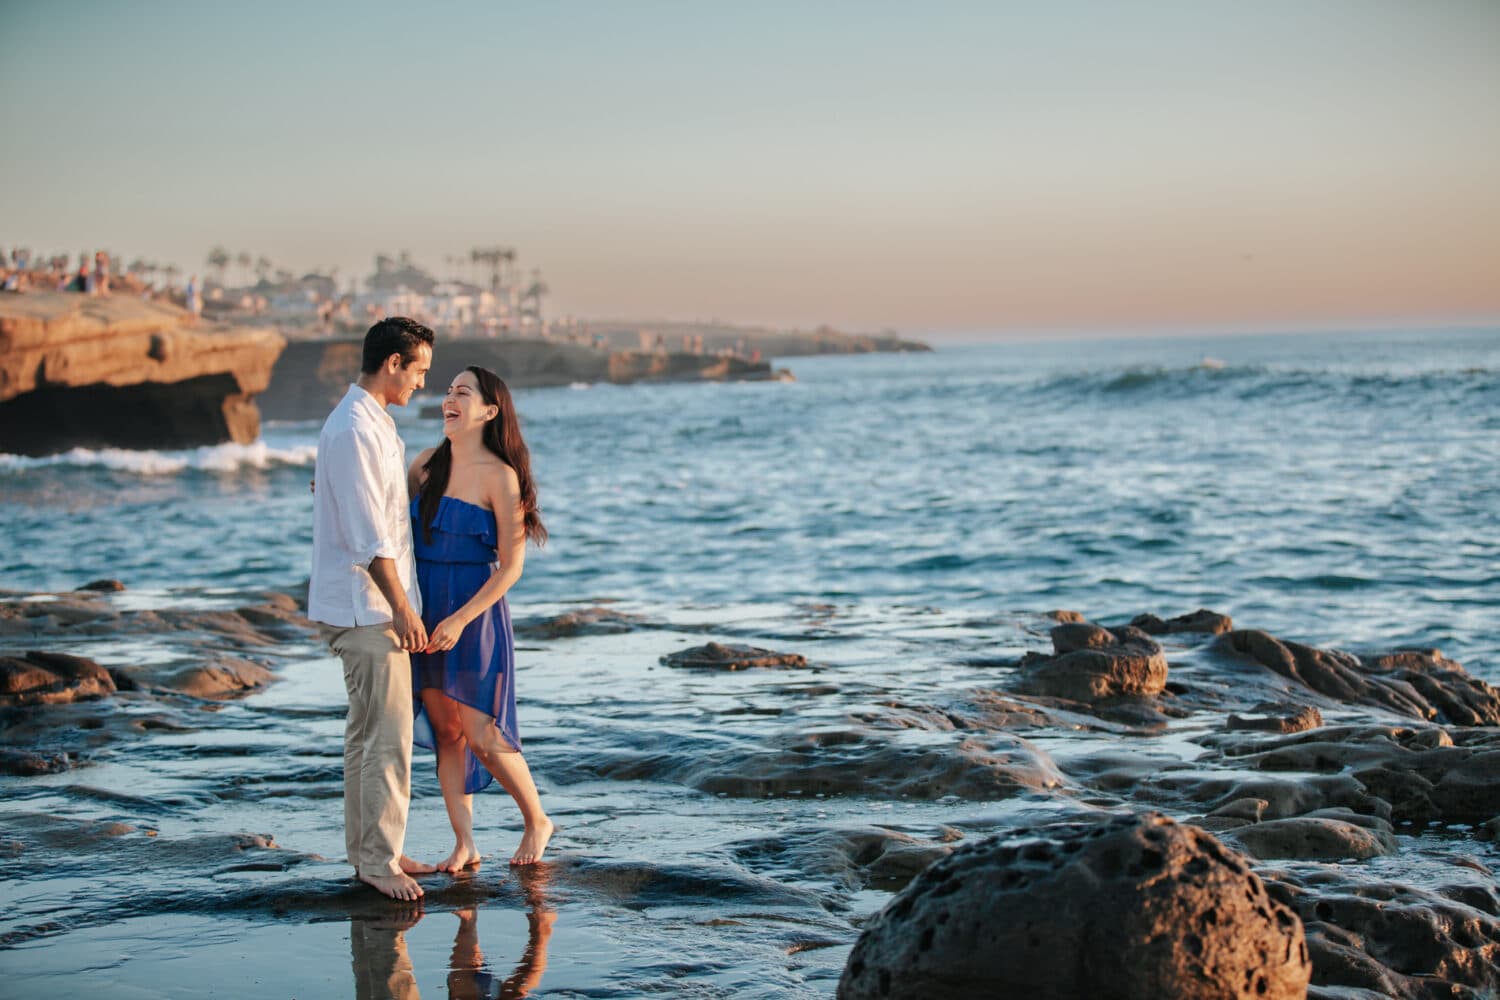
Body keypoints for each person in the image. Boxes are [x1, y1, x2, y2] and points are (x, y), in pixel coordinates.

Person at [309, 316, 437, 901]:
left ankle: (374, 851)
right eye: (419, 371)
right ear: (393, 363)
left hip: (362, 605)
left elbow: (373, 511)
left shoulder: (368, 423)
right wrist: (403, 609)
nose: (421, 384)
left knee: (367, 738)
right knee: (386, 741)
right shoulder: (356, 428)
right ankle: (378, 862)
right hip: (368, 610)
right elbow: (368, 538)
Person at [408, 364, 553, 869]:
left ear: (489, 411)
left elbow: (511, 567)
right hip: (423, 609)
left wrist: (460, 620)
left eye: (462, 392)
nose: (449, 397)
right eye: (447, 390)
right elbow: (379, 511)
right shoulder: (426, 465)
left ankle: (537, 820)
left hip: (473, 614)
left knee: (482, 732)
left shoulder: (500, 476)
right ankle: (465, 843)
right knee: (446, 731)